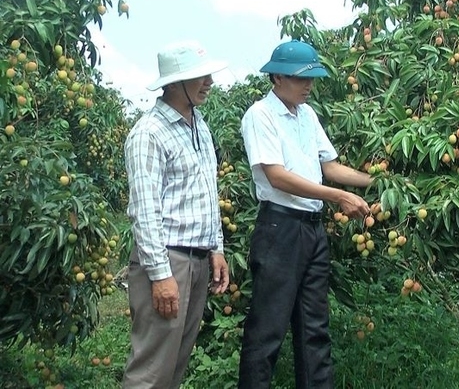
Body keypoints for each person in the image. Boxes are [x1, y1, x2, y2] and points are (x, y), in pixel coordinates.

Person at [238, 40, 372, 389]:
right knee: (267, 330)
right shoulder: (260, 115)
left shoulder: (307, 115)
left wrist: (377, 183)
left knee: (314, 329)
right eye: (302, 79)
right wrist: (338, 197)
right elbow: (276, 176)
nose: (309, 86)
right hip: (279, 227)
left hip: (312, 231)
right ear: (277, 79)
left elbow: (329, 166)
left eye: (312, 78)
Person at [123, 40, 231, 388]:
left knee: (175, 365)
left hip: (196, 260)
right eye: (198, 76)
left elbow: (205, 193)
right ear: (172, 83)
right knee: (151, 370)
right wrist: (160, 275)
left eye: (207, 74)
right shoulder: (149, 133)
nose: (208, 82)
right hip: (168, 261)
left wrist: (216, 248)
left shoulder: (200, 126)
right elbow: (145, 209)